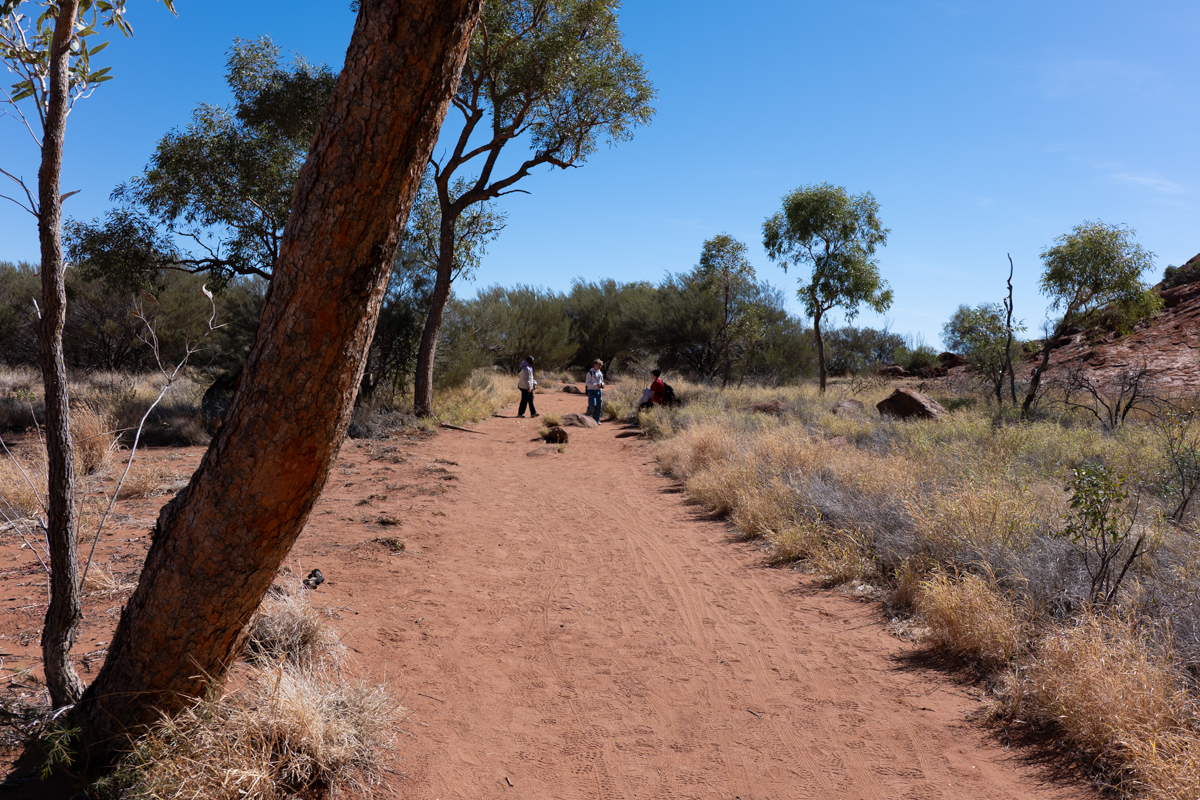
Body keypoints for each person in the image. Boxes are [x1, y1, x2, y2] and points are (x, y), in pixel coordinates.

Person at [585, 358, 604, 423]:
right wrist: (596, 385)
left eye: (600, 365)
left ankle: (596, 419)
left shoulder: (600, 373)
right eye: (599, 365)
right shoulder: (590, 373)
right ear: (595, 364)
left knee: (599, 405)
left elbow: (602, 382)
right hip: (591, 391)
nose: (599, 367)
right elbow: (587, 383)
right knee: (592, 404)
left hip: (599, 391)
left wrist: (602, 385)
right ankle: (587, 417)